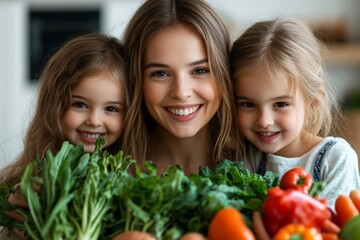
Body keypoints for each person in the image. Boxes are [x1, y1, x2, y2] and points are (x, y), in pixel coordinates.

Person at [0, 32, 129, 239]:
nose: (94, 121)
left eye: (112, 109)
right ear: (54, 106)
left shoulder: (128, 179)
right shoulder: (25, 186)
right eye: (80, 104)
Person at [229, 17, 360, 210]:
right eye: (248, 104)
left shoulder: (335, 158)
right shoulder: (243, 156)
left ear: (312, 103)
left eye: (281, 104)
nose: (264, 121)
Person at [121, 0, 242, 176]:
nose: (181, 92)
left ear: (225, 73)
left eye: (200, 70)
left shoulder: (256, 163)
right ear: (135, 79)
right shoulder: (108, 169)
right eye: (160, 73)